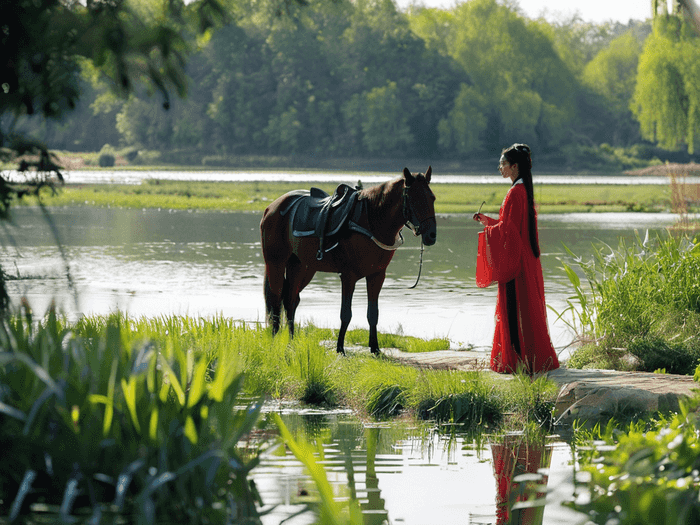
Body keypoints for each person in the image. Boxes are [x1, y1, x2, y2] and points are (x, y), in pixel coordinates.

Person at [473, 144, 559, 374]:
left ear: (515, 167)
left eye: (503, 164)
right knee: (527, 311)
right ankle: (531, 360)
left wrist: (490, 229)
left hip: (516, 265)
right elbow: (511, 229)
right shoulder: (523, 191)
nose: (500, 167)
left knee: (515, 311)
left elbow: (508, 232)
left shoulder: (514, 193)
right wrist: (490, 222)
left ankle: (517, 361)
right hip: (526, 261)